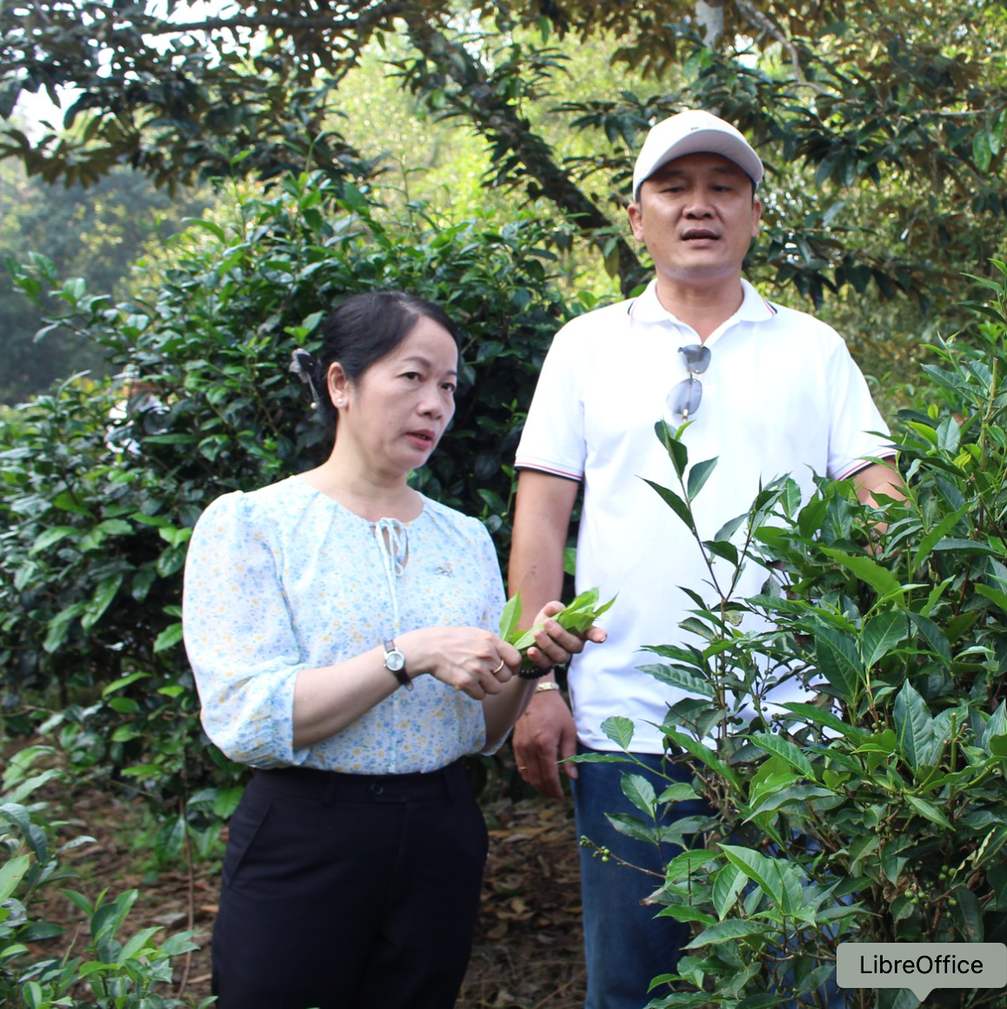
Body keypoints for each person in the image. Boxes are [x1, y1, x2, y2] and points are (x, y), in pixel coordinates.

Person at [508, 109, 900, 1009]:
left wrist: (881, 676)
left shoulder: (815, 349)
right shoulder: (585, 346)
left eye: (723, 188)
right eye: (674, 188)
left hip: (796, 730)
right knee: (638, 980)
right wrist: (536, 685)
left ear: (756, 213)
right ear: (635, 213)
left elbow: (887, 511)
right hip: (629, 725)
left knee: (806, 976)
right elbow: (541, 521)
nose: (699, 207)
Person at [183, 291, 601, 1009]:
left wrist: (532, 663)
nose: (436, 404)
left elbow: (481, 728)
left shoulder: (462, 536)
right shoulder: (255, 524)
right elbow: (248, 718)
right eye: (412, 377)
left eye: (447, 385)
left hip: (440, 831)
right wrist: (404, 654)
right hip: (306, 836)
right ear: (340, 384)